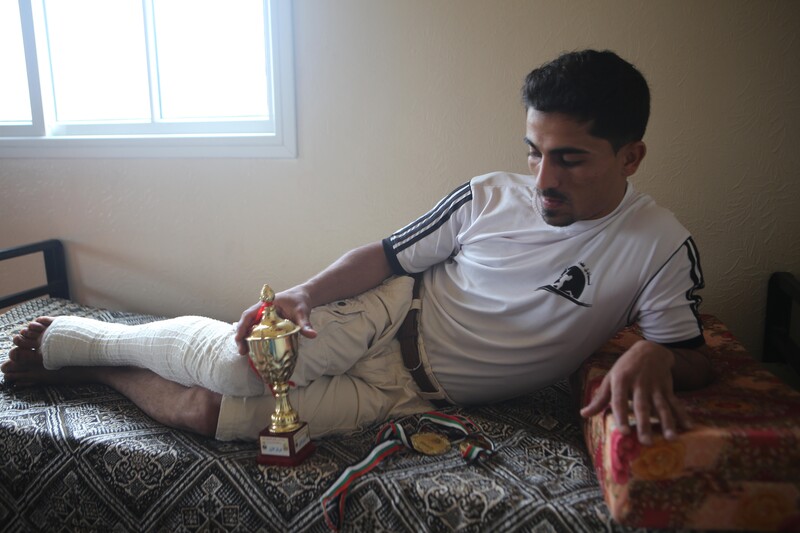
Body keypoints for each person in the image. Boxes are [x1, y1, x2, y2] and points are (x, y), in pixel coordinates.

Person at [2, 49, 712, 446]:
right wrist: (307, 293)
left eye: (570, 159)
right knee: (238, 367)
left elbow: (693, 354)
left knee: (209, 417)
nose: (543, 179)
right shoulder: (489, 195)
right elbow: (387, 254)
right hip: (387, 314)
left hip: (406, 391)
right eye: (534, 154)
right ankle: (78, 334)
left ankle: (93, 370)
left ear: (632, 155)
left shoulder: (659, 244)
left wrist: (657, 351)